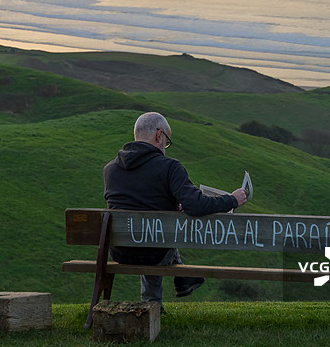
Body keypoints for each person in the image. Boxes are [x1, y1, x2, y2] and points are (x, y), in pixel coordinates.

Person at [103, 112, 248, 307]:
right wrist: (232, 200)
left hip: (119, 250)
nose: (165, 146)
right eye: (167, 141)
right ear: (159, 135)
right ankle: (180, 279)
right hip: (153, 251)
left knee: (150, 234)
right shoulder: (170, 167)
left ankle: (177, 284)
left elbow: (135, 202)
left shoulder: (110, 169)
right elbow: (196, 205)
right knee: (157, 238)